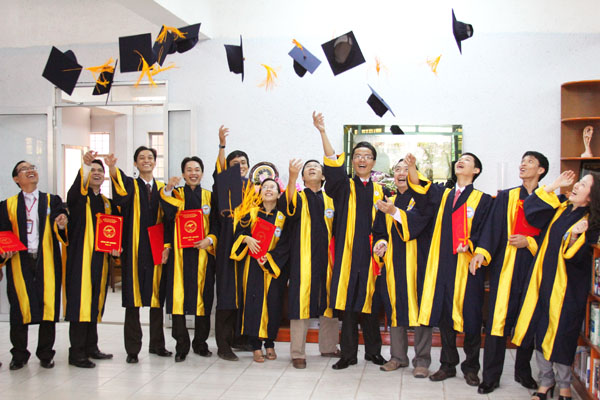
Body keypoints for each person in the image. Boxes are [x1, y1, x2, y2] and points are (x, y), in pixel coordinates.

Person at [512, 171, 600, 400]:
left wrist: (575, 237)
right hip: (543, 282)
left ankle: (564, 386)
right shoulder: (561, 207)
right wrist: (554, 185)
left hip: (567, 289)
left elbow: (576, 258)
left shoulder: (589, 222)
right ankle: (545, 382)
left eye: (583, 185)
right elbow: (531, 210)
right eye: (578, 182)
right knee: (540, 332)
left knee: (562, 336)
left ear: (592, 197)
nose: (576, 186)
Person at [406, 152, 493, 386]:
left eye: (467, 160)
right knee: (445, 317)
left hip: (468, 266)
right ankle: (447, 364)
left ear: (476, 170)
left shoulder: (483, 200)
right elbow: (421, 187)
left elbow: (488, 230)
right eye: (459, 159)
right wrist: (412, 167)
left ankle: (471, 367)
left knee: (472, 317)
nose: (461, 161)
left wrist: (475, 247)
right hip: (443, 264)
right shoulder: (443, 194)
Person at [470, 151, 549, 394]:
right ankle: (491, 376)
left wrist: (529, 242)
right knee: (497, 321)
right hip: (505, 268)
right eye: (522, 161)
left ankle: (523, 372)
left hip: (532, 268)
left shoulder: (548, 200)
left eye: (530, 162)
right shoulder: (506, 196)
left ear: (541, 171)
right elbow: (492, 228)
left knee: (527, 320)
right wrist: (481, 252)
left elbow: (551, 236)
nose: (523, 165)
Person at [313, 111, 386, 370]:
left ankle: (374, 352)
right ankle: (348, 354)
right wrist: (323, 132)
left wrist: (383, 243)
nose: (362, 159)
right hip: (346, 256)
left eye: (367, 156)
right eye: (358, 156)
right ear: (352, 161)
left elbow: (384, 227)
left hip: (371, 258)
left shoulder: (381, 192)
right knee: (348, 308)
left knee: (371, 307)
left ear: (373, 162)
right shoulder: (344, 186)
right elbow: (333, 164)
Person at [106, 147, 172, 364]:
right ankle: (133, 349)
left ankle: (157, 345)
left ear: (155, 162)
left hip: (157, 249)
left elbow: (170, 219)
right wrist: (112, 168)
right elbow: (119, 195)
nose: (146, 161)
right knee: (133, 301)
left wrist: (167, 246)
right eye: (141, 158)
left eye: (150, 157)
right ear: (135, 163)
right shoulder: (130, 185)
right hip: (133, 249)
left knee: (156, 299)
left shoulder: (163, 188)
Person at [0, 160, 68, 370]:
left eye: (32, 168)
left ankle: (46, 353)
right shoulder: (7, 205)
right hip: (19, 260)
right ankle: (19, 355)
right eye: (24, 169)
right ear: (16, 179)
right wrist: (3, 251)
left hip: (46, 259)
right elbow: (3, 233)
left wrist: (62, 223)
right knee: (19, 308)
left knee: (49, 306)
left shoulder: (52, 200)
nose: (30, 171)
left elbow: (62, 220)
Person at [372, 159, 433, 378]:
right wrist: (381, 243)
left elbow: (417, 224)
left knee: (421, 309)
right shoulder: (387, 201)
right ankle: (397, 357)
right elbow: (379, 231)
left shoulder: (423, 200)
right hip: (394, 263)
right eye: (397, 169)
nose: (401, 173)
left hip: (419, 263)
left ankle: (422, 360)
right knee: (395, 308)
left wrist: (395, 212)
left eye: (406, 170)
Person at [282, 159, 341, 369]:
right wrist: (291, 177)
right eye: (308, 167)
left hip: (327, 261)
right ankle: (298, 353)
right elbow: (287, 206)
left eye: (316, 167)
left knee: (329, 302)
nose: (312, 168)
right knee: (300, 303)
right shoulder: (298, 197)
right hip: (302, 260)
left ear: (323, 176)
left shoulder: (332, 201)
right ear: (303, 177)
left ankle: (329, 346)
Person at [160, 156, 217, 362]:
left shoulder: (210, 197)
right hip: (179, 255)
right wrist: (168, 189)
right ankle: (181, 345)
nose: (193, 173)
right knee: (178, 299)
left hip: (203, 256)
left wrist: (210, 240)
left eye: (197, 169)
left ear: (202, 173)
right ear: (183, 174)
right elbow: (167, 218)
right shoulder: (176, 194)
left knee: (203, 298)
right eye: (189, 170)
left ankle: (200, 343)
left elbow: (217, 224)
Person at [66, 151, 120, 368]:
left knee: (95, 302)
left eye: (100, 170)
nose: (96, 173)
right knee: (80, 303)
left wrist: (116, 246)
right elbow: (74, 193)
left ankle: (91, 347)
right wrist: (85, 165)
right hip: (81, 259)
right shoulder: (80, 198)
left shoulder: (106, 203)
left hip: (101, 260)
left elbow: (114, 230)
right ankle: (76, 352)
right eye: (92, 170)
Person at [230, 177, 288, 363]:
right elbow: (238, 233)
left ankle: (270, 343)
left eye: (272, 187)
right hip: (252, 266)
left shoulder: (283, 218)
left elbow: (286, 243)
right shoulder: (251, 213)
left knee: (273, 304)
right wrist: (246, 239)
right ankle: (255, 346)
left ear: (278, 194)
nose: (268, 190)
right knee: (253, 304)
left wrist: (269, 259)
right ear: (260, 193)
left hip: (272, 268)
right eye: (265, 187)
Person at [212, 125, 253, 361]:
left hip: (248, 250)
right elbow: (219, 170)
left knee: (245, 295)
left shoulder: (254, 190)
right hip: (227, 249)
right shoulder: (223, 187)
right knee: (227, 297)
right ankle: (223, 345)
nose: (240, 166)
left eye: (243, 163)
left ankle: (240, 338)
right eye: (235, 163)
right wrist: (222, 145)